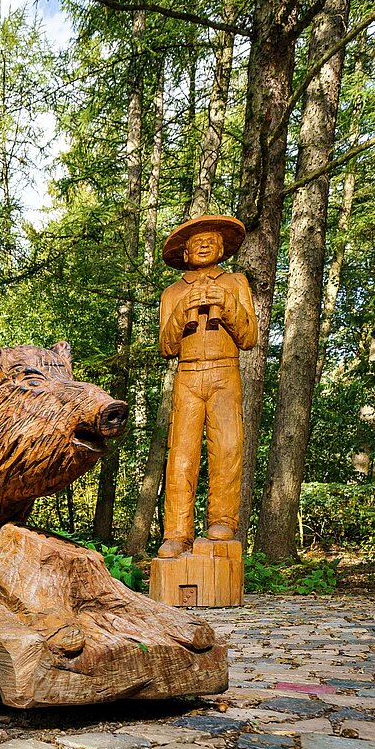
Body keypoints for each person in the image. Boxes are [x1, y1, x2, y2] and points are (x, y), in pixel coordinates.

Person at [157, 214, 256, 559]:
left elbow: (249, 337)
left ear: (223, 249)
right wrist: (182, 310)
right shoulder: (172, 292)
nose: (203, 244)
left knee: (228, 448)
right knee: (181, 455)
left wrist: (225, 304)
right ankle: (176, 532)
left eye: (211, 240)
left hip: (225, 372)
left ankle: (223, 521)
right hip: (187, 376)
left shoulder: (235, 283)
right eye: (196, 241)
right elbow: (166, 347)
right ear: (184, 253)